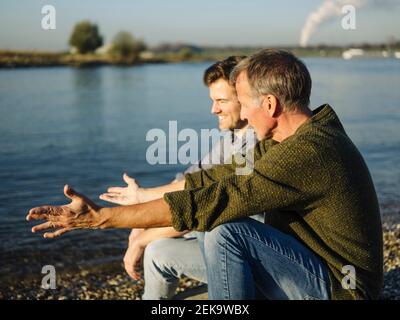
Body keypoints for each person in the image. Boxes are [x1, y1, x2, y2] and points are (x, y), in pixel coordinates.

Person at [27, 49, 383, 300]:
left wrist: (103, 219)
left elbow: (216, 202)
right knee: (200, 231)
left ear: (270, 105)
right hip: (304, 267)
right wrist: (140, 198)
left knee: (225, 229)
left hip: (341, 290)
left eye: (242, 101)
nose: (239, 110)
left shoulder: (308, 151)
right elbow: (210, 181)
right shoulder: (288, 138)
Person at [98, 56, 261, 299]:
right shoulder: (233, 136)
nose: (213, 109)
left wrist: (142, 238)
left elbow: (200, 205)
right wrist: (141, 217)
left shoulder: (256, 146)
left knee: (156, 251)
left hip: (249, 258)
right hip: (218, 239)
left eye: (221, 101)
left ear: (246, 99)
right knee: (157, 246)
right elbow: (188, 179)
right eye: (212, 100)